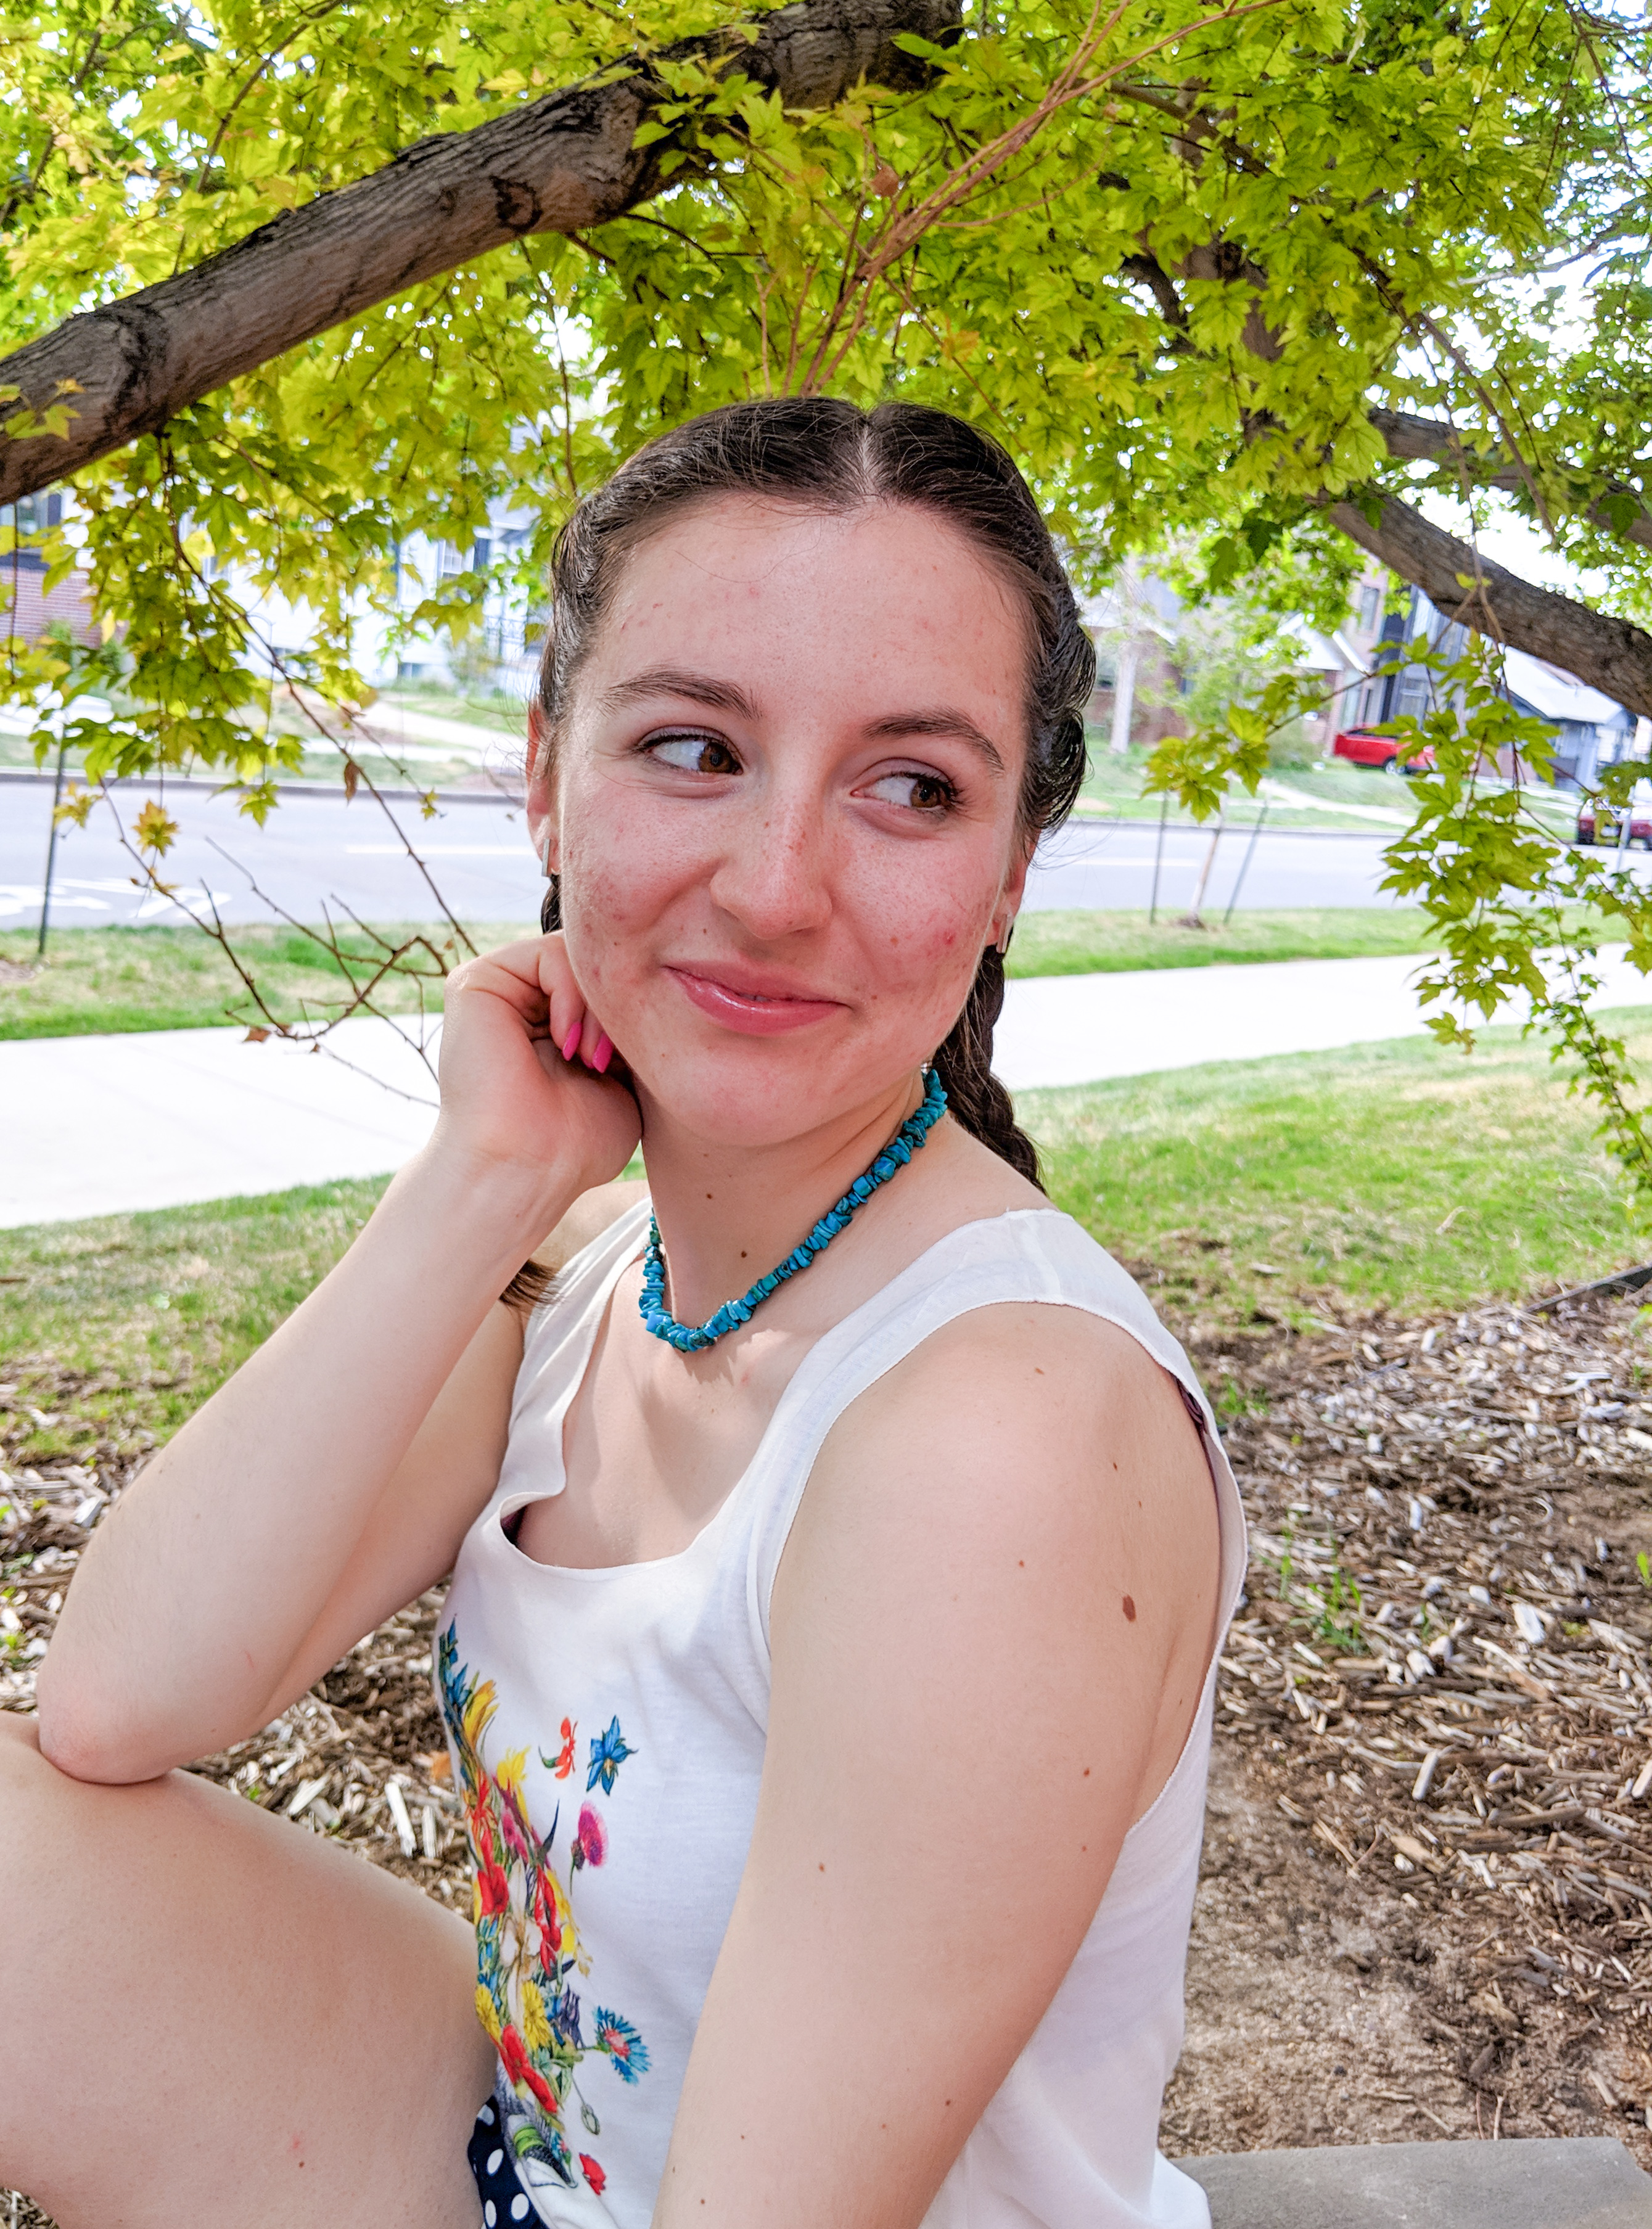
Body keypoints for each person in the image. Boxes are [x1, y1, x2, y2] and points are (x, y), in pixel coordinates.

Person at [0, 397, 1243, 2229]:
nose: (773, 887)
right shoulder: (589, 1259)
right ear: (545, 779)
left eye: (912, 786)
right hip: (540, 2154)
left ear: (1006, 880)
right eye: (691, 746)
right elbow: (119, 1704)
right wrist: (482, 1173)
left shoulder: (1000, 1444)